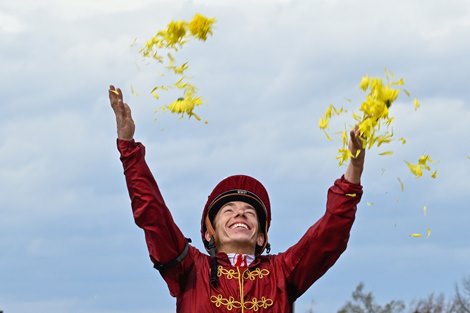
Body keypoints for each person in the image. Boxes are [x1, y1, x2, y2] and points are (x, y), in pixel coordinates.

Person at [109, 84, 365, 312]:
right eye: (228, 210)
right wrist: (129, 148)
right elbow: (153, 215)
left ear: (262, 237)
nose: (240, 213)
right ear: (209, 234)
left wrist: (353, 172)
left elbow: (330, 232)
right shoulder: (189, 269)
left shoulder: (282, 273)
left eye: (249, 212)